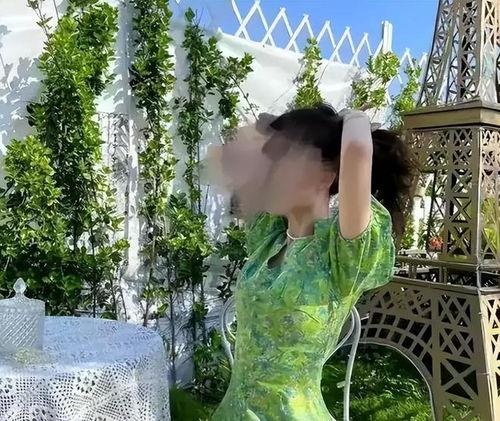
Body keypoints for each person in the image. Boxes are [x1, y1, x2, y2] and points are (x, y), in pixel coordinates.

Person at [208, 104, 415, 420]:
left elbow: (357, 152)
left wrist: (352, 117)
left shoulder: (340, 257)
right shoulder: (269, 238)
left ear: (326, 175)